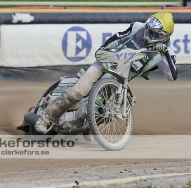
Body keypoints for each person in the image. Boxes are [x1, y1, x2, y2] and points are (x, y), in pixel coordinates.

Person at [34, 12, 178, 134]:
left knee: (102, 111)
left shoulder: (166, 53)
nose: (148, 34)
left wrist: (164, 51)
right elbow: (116, 38)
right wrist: (105, 50)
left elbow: (172, 77)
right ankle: (45, 119)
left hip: (119, 79)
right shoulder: (136, 27)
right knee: (74, 93)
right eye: (148, 29)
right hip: (105, 63)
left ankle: (82, 126)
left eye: (154, 33)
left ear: (164, 36)